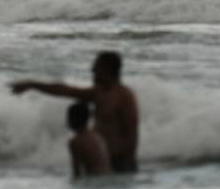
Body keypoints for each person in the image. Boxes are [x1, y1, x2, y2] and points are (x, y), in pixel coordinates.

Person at [11, 51, 139, 173]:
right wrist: (32, 85)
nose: (93, 70)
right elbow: (65, 90)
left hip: (120, 164)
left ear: (107, 69)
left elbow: (132, 136)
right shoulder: (98, 93)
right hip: (101, 161)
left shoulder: (124, 96)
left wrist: (127, 165)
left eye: (97, 67)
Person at [67, 102, 110, 179]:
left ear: (73, 119)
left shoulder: (76, 142)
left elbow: (76, 172)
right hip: (108, 177)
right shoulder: (97, 136)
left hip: (93, 180)